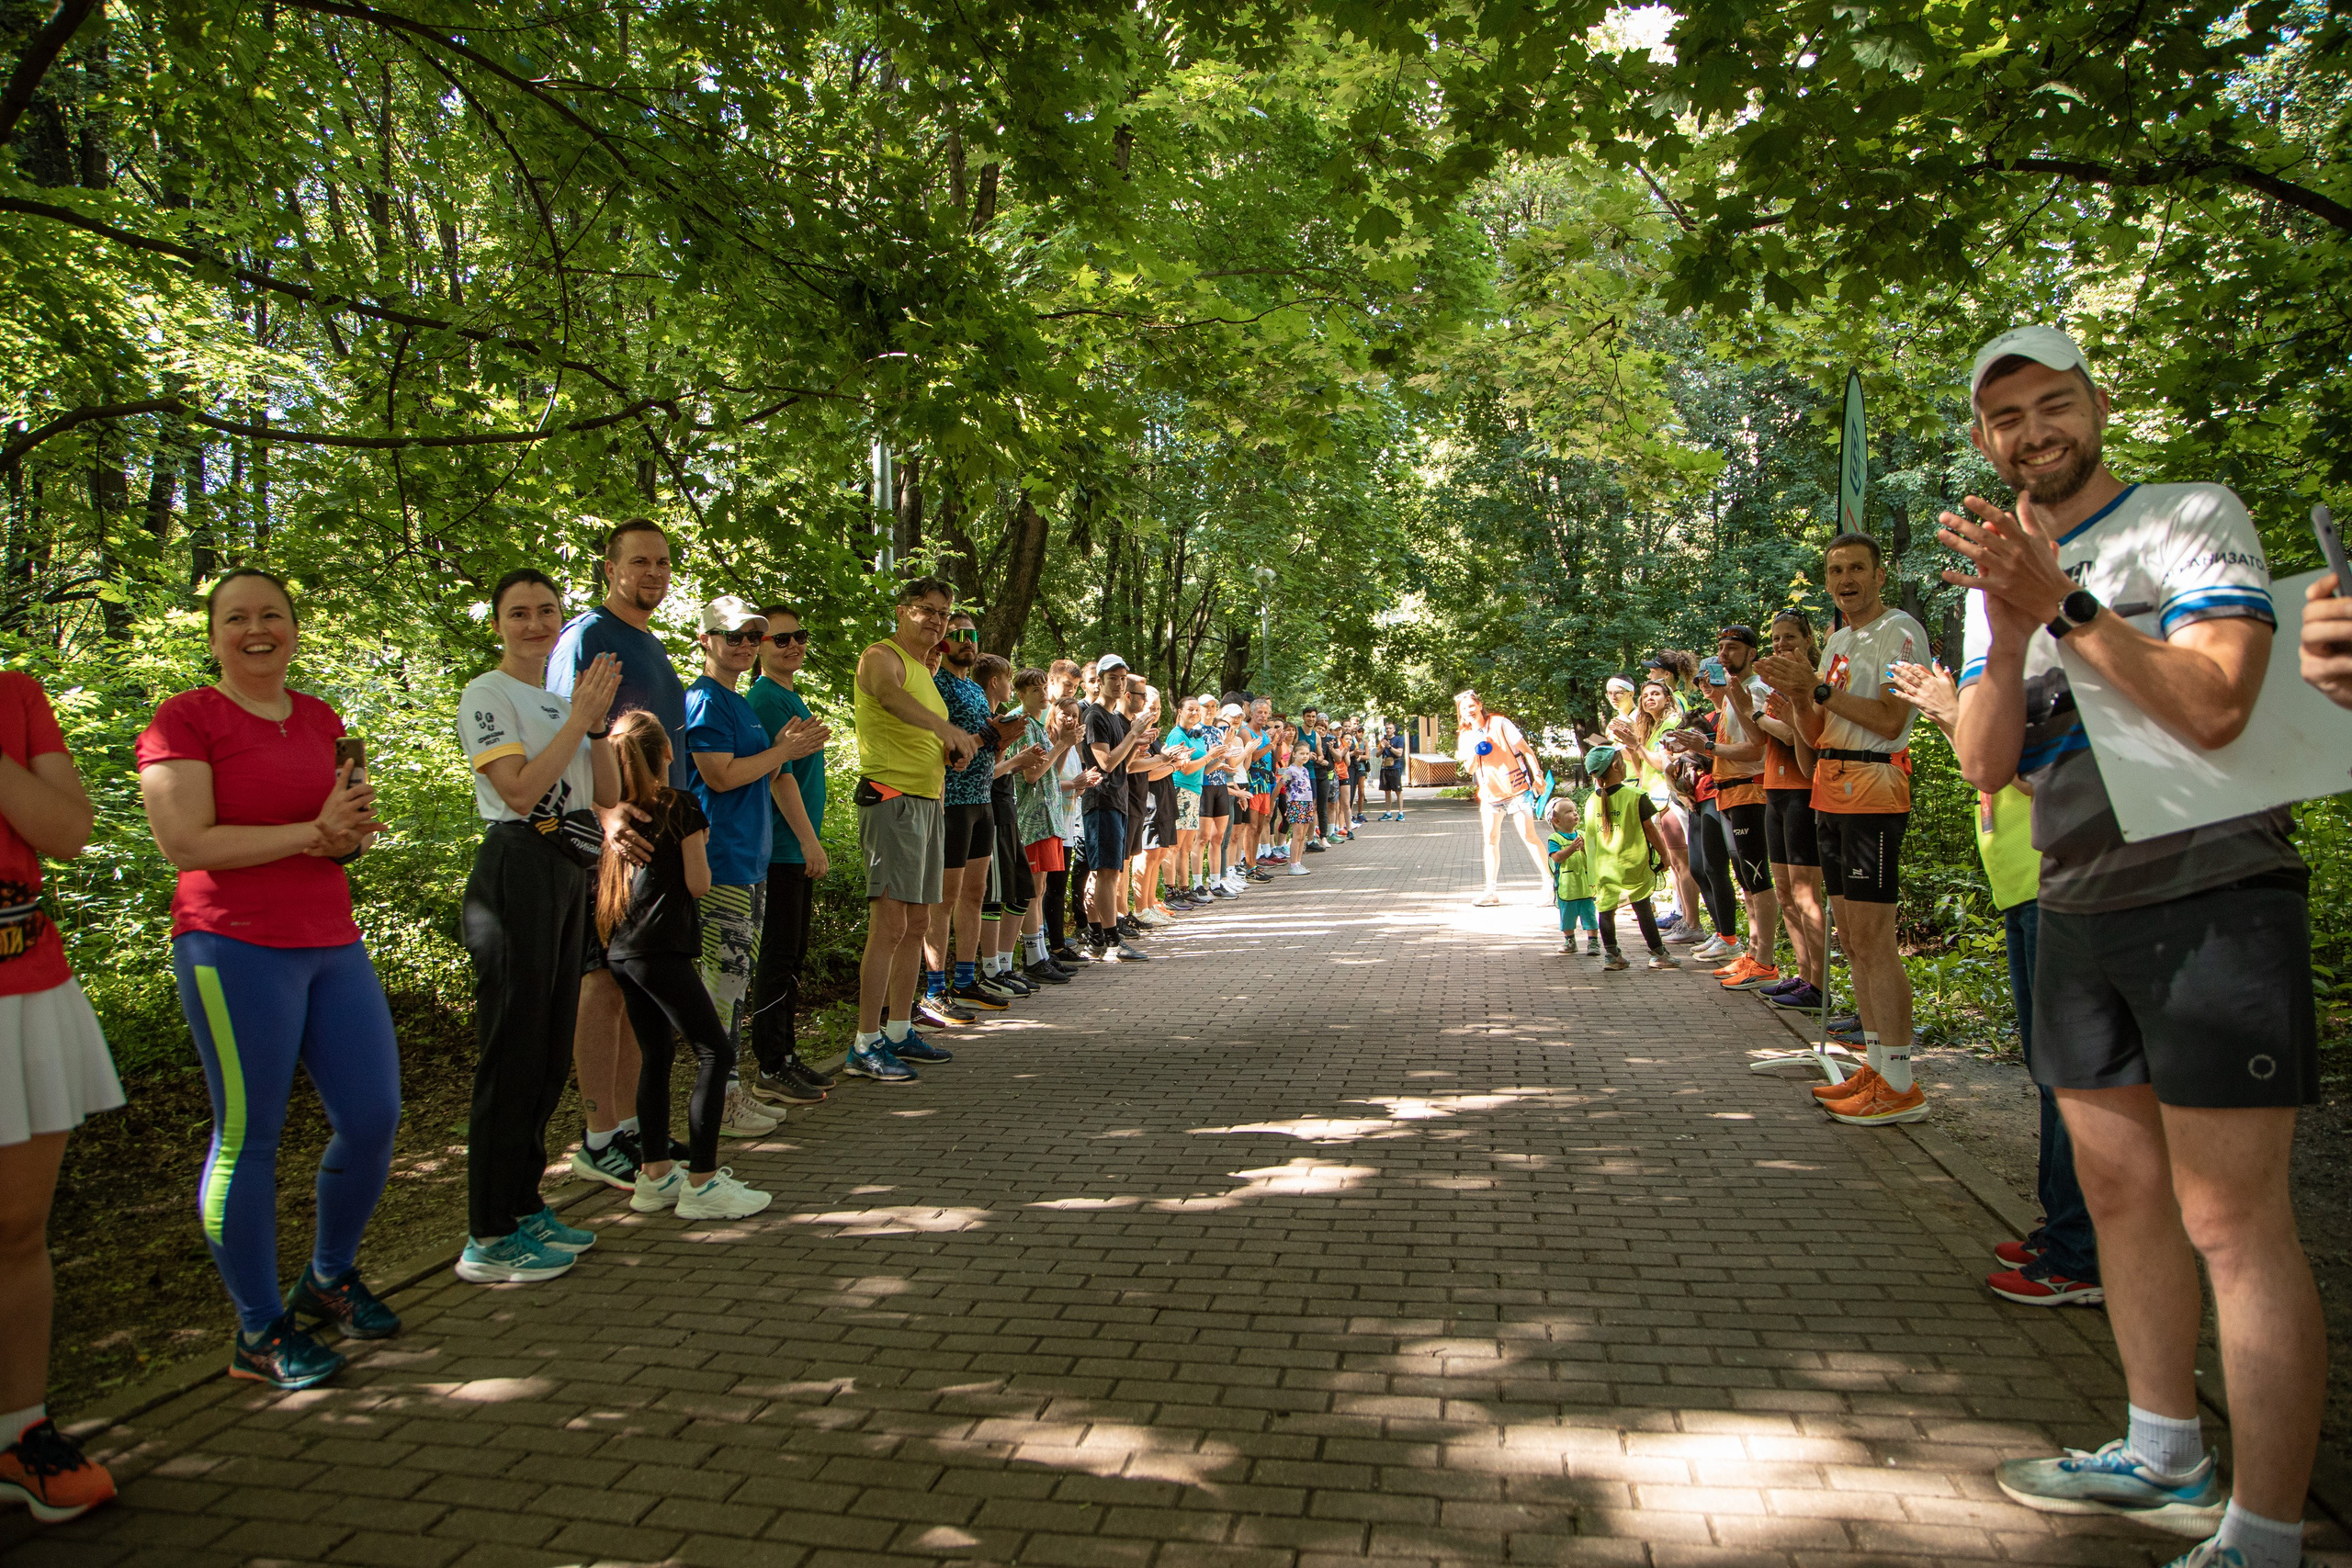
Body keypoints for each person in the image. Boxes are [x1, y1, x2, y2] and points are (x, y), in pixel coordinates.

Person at [1940, 325, 2316, 1566]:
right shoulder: (1999, 573)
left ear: (2100, 405)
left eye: (2055, 403)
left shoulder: (2188, 516)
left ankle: (2263, 1531)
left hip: (2214, 888)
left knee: (2233, 1220)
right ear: (1986, 440)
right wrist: (2007, 624)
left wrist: (2068, 604)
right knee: (2119, 1194)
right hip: (2076, 897)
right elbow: (1987, 763)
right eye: (2007, 418)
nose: (2034, 431)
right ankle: (2163, 1446)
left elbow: (2216, 702)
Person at [137, 570, 401, 1390]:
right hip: (231, 944)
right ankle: (258, 1328)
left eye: (273, 615)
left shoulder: (325, 719)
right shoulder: (185, 717)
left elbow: (348, 831)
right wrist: (309, 832)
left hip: (330, 938)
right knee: (248, 1135)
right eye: (238, 617)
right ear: (213, 633)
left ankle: (328, 1276)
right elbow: (186, 842)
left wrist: (345, 833)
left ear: (293, 627)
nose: (258, 630)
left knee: (373, 1114)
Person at [1890, 657, 2100, 1308]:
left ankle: (2081, 1253)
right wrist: (1957, 719)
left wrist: (1956, 712)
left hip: (2057, 881)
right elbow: (1982, 768)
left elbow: (2051, 778)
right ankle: (2061, 1230)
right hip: (2022, 887)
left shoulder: (2060, 688)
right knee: (2047, 1068)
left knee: (2070, 1075)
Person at [453, 570, 621, 1284]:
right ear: (497, 624)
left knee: (549, 1051)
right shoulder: (487, 694)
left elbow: (607, 793)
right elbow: (518, 790)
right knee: (511, 1050)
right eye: (517, 613)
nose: (533, 623)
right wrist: (579, 722)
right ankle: (486, 1233)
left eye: (546, 611)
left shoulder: (561, 700)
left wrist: (605, 723)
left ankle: (521, 1207)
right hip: (516, 867)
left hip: (567, 869)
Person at [1756, 533, 1930, 1128]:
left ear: (1880, 574)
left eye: (1858, 568)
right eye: (1836, 570)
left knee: (1876, 940)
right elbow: (1817, 727)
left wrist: (1820, 689)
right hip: (1829, 789)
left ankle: (1902, 1081)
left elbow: (1887, 716)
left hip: (1875, 791)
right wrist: (1797, 700)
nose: (1846, 578)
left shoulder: (1900, 631)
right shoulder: (1834, 638)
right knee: (1852, 940)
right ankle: (1878, 1065)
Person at [0, 670, 119, 1522]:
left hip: (23, 983)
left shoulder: (15, 694)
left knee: (15, 1228)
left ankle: (21, 1430)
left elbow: (68, 830)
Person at [546, 519, 681, 1190]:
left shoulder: (651, 645)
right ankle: (598, 1135)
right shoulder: (586, 637)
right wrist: (603, 816)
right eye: (639, 562)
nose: (652, 573)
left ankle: (631, 1126)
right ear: (609, 567)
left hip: (654, 841)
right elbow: (567, 731)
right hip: (606, 840)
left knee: (636, 987)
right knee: (600, 984)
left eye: (661, 562)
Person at [595, 712, 772, 1222]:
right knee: (714, 1051)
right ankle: (702, 1181)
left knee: (655, 1055)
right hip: (664, 949)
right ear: (666, 754)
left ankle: (654, 1176)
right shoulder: (682, 805)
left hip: (623, 951)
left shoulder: (617, 816)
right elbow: (699, 883)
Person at [686, 594, 829, 1134]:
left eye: (752, 636)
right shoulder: (705, 700)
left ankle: (734, 1087)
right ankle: (725, 1097)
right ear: (706, 640)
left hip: (753, 858)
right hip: (720, 859)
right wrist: (782, 753)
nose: (745, 645)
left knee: (737, 982)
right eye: (736, 636)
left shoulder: (739, 703)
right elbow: (719, 775)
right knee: (725, 986)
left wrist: (781, 758)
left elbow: (774, 773)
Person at [851, 579, 976, 1077]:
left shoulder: (926, 671)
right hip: (890, 800)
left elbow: (922, 732)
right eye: (926, 610)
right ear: (903, 611)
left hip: (927, 803)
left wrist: (950, 753)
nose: (937, 620)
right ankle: (864, 1043)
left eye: (943, 613)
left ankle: (900, 1031)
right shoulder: (881, 656)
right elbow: (885, 697)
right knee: (889, 926)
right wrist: (945, 728)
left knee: (919, 925)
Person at [743, 604, 838, 1110]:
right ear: (759, 646)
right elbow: (779, 777)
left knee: (794, 952)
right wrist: (807, 841)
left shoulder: (788, 695)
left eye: (799, 636)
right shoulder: (764, 700)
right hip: (782, 847)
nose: (794, 645)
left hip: (795, 847)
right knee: (779, 955)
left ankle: (786, 1053)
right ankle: (770, 1064)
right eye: (781, 640)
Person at [924, 612, 1023, 1019]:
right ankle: (934, 989)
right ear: (942, 642)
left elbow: (985, 749)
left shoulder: (977, 690)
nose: (967, 641)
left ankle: (966, 980)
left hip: (982, 799)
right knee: (944, 899)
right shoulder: (936, 686)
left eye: (972, 634)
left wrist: (1002, 738)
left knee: (975, 893)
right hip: (951, 803)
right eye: (958, 634)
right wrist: (987, 736)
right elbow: (942, 748)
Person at [1749, 612, 1829, 1015]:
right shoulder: (1771, 687)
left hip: (1803, 791)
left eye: (1790, 637)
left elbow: (1800, 735)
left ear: (1809, 639)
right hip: (1774, 789)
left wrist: (1763, 716)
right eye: (1776, 638)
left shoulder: (1814, 681)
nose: (1781, 645)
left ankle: (1820, 983)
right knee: (1784, 892)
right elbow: (1760, 740)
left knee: (1805, 892)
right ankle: (1802, 975)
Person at [1701, 628, 1783, 991]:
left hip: (1753, 794)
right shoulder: (1733, 693)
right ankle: (1753, 954)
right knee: (1747, 880)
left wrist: (1708, 749)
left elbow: (1757, 749)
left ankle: (1765, 960)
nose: (1723, 655)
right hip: (1730, 796)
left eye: (1732, 648)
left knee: (1758, 877)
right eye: (1719, 647)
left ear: (1751, 652)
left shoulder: (1756, 690)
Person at [1610, 680, 1704, 940]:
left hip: (1671, 798)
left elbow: (1664, 763)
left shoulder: (1671, 722)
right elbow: (1642, 769)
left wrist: (1637, 745)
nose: (1649, 698)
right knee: (1673, 863)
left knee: (1682, 862)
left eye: (1656, 693)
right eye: (1645, 695)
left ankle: (1693, 924)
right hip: (1655, 798)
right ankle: (1685, 919)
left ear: (1668, 698)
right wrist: (1631, 744)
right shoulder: (1651, 727)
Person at [1578, 744, 1677, 972]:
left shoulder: (1591, 801)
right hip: (1634, 865)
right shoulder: (1636, 796)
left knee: (1606, 910)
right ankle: (1658, 953)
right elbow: (1651, 831)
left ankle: (1612, 956)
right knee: (1642, 908)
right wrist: (1665, 855)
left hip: (1604, 867)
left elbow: (1591, 837)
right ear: (1617, 765)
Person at [1080, 657, 1153, 960]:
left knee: (1108, 872)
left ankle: (1098, 939)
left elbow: (1124, 761)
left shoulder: (1112, 717)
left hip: (1118, 800)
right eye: (1112, 677)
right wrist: (1134, 735)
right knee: (1106, 872)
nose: (1119, 682)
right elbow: (1106, 762)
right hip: (1101, 800)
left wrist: (1139, 743)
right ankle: (1110, 940)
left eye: (1123, 677)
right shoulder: (1095, 716)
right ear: (1099, 680)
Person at [1455, 689, 1552, 906]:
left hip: (1517, 790)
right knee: (1490, 840)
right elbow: (1469, 766)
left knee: (1528, 835)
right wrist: (1474, 750)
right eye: (1464, 708)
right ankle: (1491, 891)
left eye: (1471, 706)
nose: (1468, 711)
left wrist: (1537, 775)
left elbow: (1527, 751)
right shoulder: (1466, 736)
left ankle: (1549, 883)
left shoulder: (1500, 724)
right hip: (1490, 794)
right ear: (1460, 713)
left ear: (1479, 705)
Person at [1545, 796, 1599, 956]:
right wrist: (1572, 848)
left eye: (1575, 810)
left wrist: (1583, 849)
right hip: (1567, 888)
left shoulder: (1582, 834)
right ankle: (1570, 940)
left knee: (1589, 915)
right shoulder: (1554, 838)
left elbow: (1592, 856)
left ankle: (1593, 942)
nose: (1575, 814)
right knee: (1567, 916)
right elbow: (1556, 857)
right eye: (1569, 812)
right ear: (1556, 820)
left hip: (1585, 887)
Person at [1277, 729, 1316, 874]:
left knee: (1303, 835)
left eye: (1307, 754)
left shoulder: (1305, 770)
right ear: (1294, 754)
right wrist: (1271, 800)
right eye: (1301, 753)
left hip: (1307, 804)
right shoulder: (1290, 771)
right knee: (1297, 835)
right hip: (1296, 804)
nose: (1304, 756)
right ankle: (1293, 864)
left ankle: (1298, 862)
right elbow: (1280, 784)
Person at [1378, 721, 1407, 819]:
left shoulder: (1399, 739)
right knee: (1387, 791)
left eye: (1390, 728)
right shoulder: (1382, 740)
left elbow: (1399, 753)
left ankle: (1401, 813)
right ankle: (1388, 813)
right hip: (1385, 768)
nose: (1388, 730)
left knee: (1398, 790)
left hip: (1395, 767)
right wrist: (1382, 748)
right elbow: (1377, 754)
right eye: (1387, 728)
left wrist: (1389, 747)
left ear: (1394, 730)